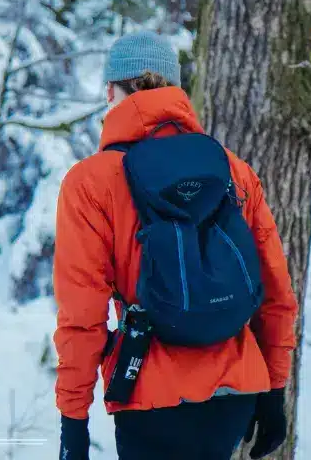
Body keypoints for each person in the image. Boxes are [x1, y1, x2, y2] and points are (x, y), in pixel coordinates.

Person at [54, 31, 298, 460]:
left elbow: (83, 316)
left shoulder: (90, 182)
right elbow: (276, 295)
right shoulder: (234, 171)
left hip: (151, 396)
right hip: (236, 391)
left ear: (110, 90)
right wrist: (275, 390)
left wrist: (73, 420)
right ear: (175, 92)